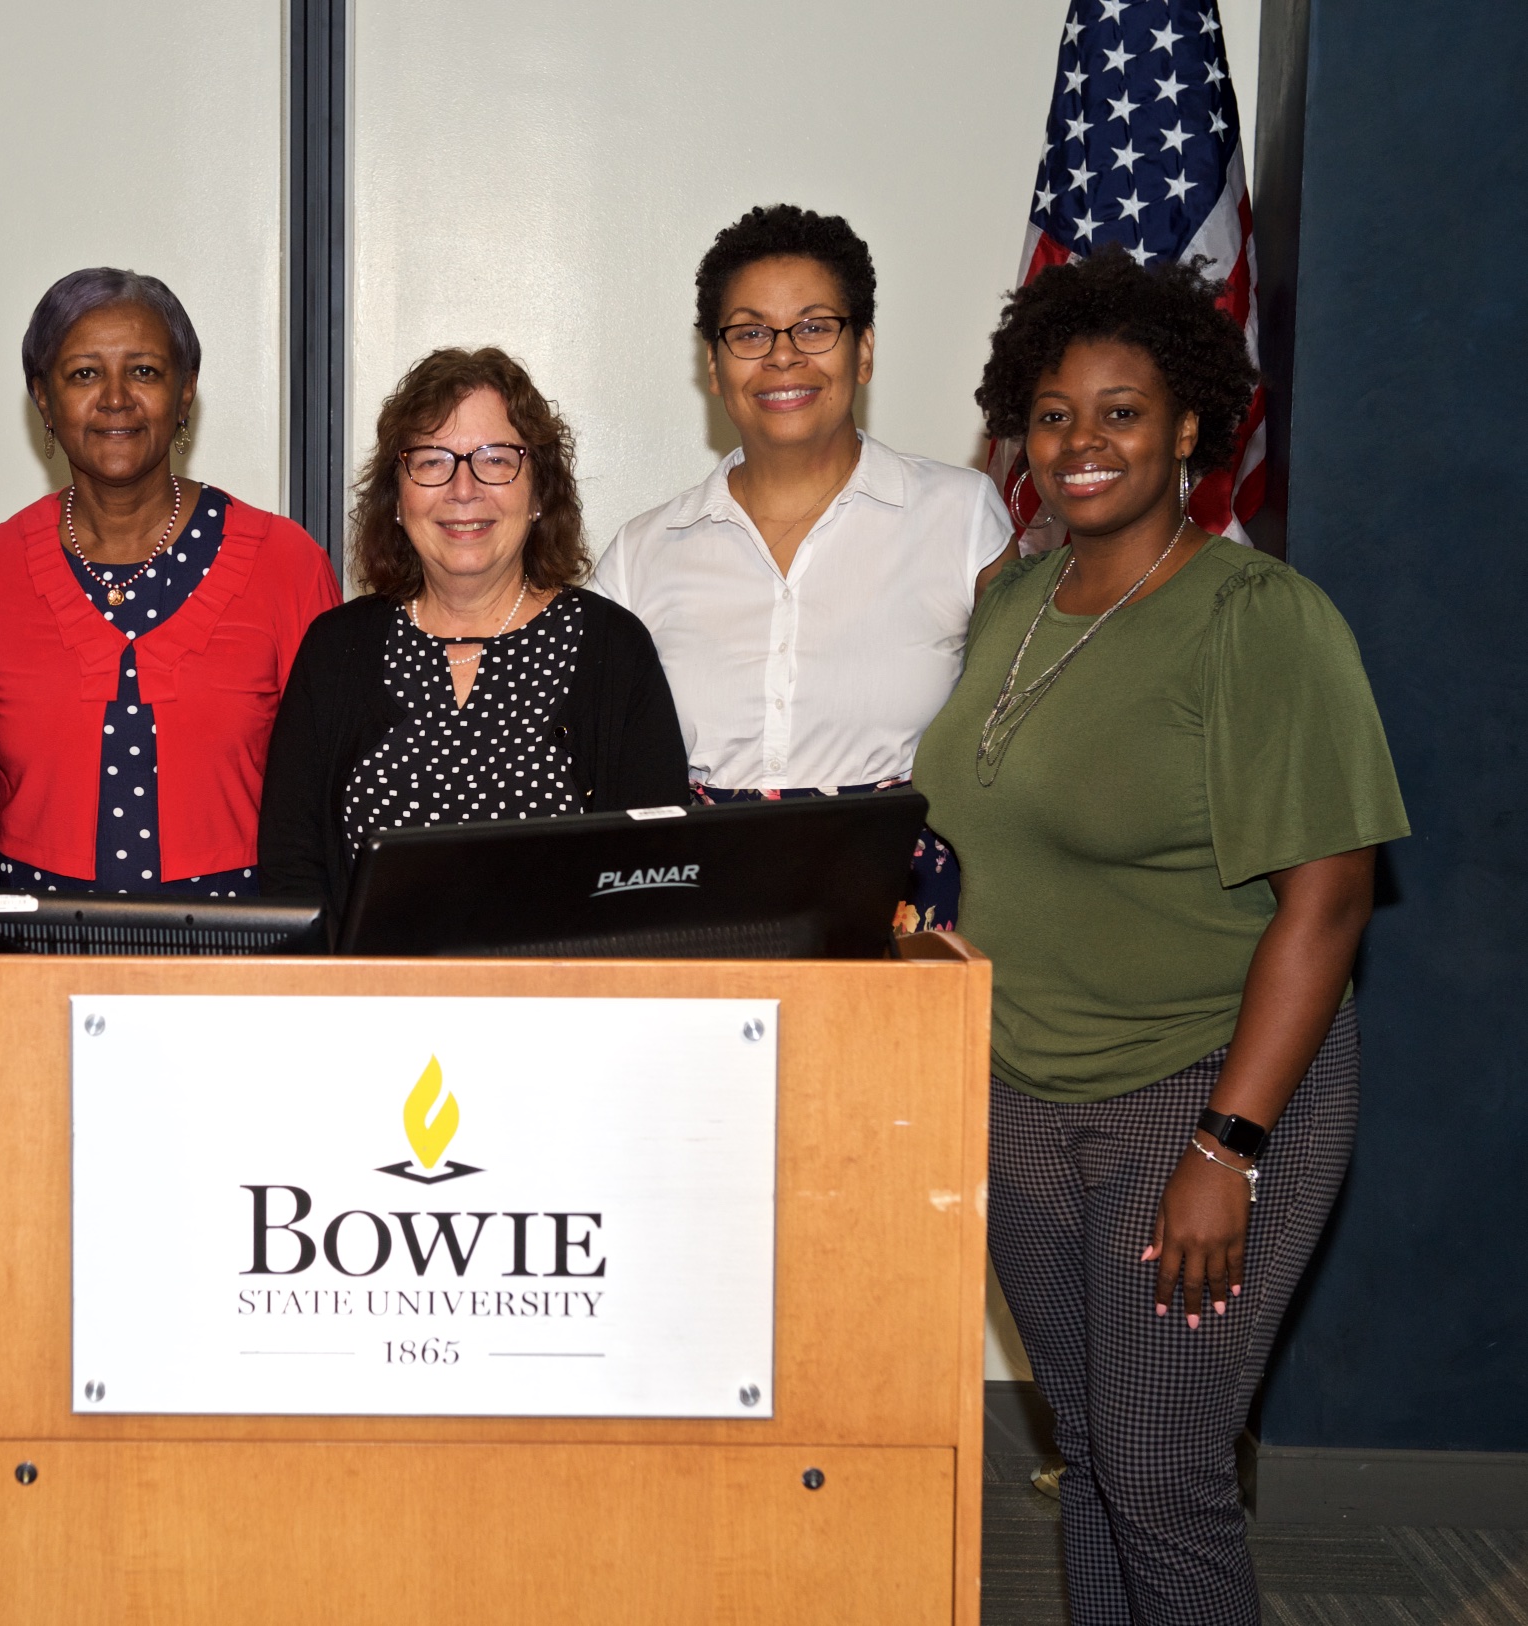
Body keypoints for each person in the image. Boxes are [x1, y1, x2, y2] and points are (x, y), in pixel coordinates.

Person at [913, 250, 1408, 1626]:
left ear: (1188, 424)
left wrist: (1224, 1150)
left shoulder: (1259, 623)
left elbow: (1329, 899)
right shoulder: (1015, 605)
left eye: (1120, 411)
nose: (1081, 444)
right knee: (1093, 1460)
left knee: (1162, 1471)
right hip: (1022, 1102)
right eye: (1055, 413)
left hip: (1196, 1095)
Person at [596, 204, 1011, 932]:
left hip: (903, 913)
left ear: (865, 350)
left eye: (815, 326)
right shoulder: (642, 552)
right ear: (715, 367)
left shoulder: (962, 517)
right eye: (750, 333)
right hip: (696, 915)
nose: (783, 356)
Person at [0, 268, 339, 895]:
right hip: (31, 963)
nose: (116, 398)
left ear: (186, 394)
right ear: (42, 399)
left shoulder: (286, 565)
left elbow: (330, 799)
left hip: (237, 960)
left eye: (145, 371)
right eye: (83, 374)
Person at [259, 347, 689, 912]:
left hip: (561, 998)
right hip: (373, 998)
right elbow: (292, 871)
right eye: (433, 460)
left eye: (496, 459)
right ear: (397, 497)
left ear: (539, 492)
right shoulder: (336, 648)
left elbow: (655, 879)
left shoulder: (613, 648)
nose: (464, 490)